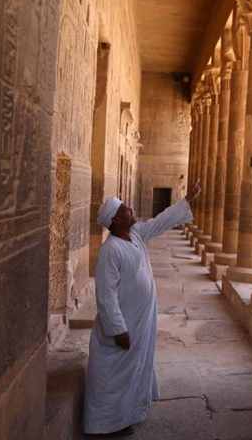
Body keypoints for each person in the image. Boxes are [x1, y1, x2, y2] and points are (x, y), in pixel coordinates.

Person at [83, 181, 201, 436]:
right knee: (113, 374)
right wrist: (118, 329)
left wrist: (186, 200)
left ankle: (126, 415)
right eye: (125, 208)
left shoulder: (134, 235)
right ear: (115, 219)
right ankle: (104, 424)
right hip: (124, 324)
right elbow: (105, 296)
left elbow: (160, 221)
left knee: (132, 370)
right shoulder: (110, 251)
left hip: (139, 321)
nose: (131, 209)